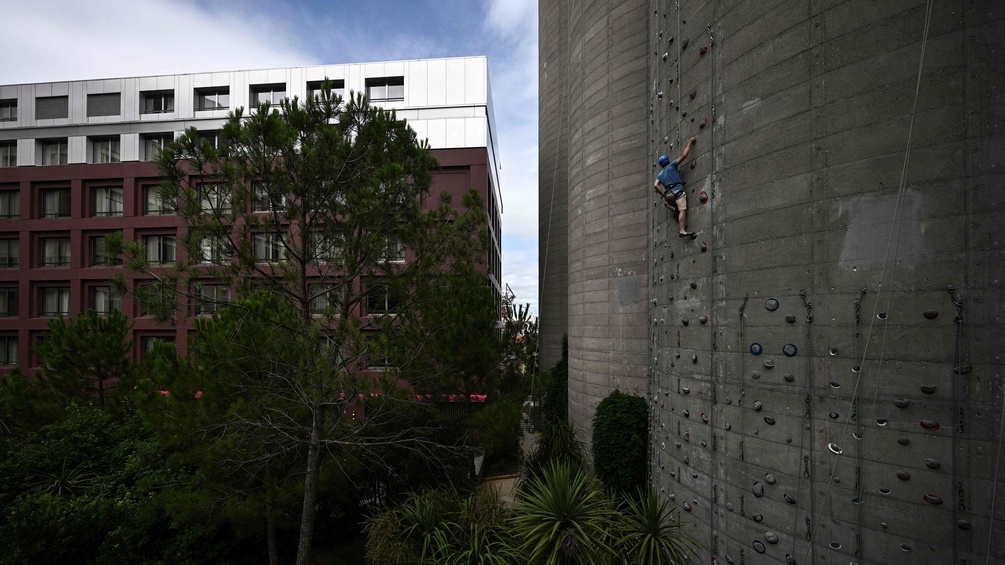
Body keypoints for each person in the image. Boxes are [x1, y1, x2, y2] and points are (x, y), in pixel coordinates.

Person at [653, 136, 697, 238]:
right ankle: (682, 230)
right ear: (668, 161)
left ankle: (671, 206)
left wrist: (663, 195)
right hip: (678, 191)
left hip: (669, 195)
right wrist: (690, 142)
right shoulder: (672, 165)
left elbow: (655, 185)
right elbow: (684, 155)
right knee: (683, 210)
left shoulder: (659, 175)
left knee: (674, 203)